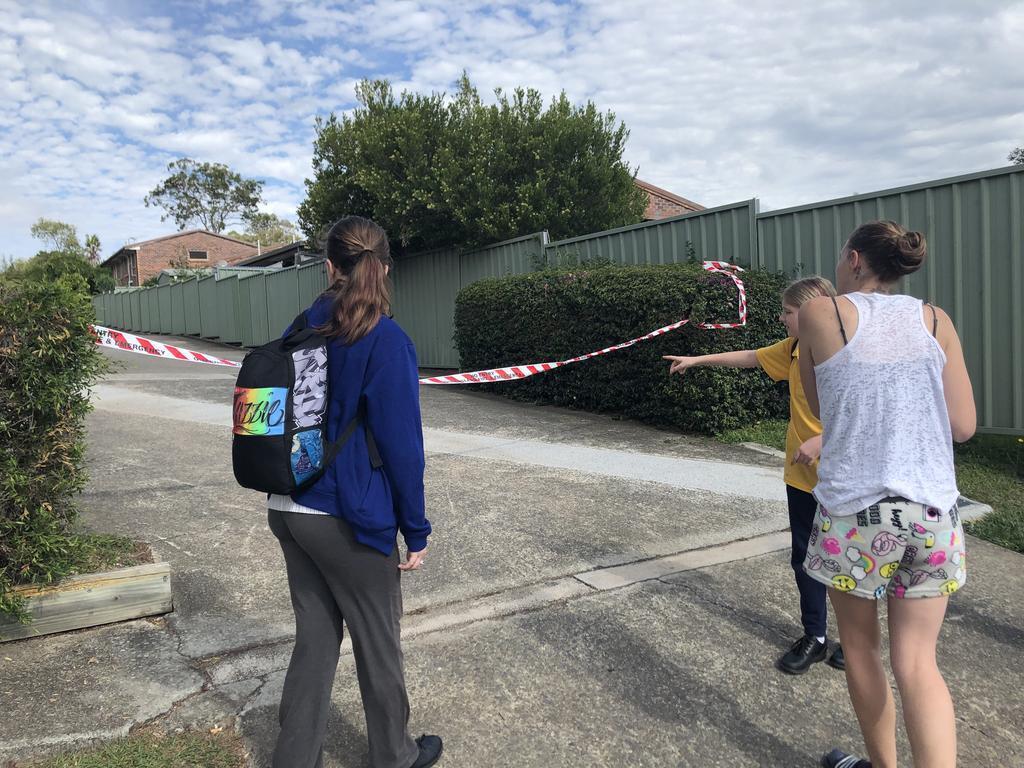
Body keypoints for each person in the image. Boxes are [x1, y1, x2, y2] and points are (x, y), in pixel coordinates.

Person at [266, 216, 443, 768]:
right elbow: (402, 448)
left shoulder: (302, 325)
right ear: (385, 268)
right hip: (346, 516)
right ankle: (394, 755)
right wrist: (415, 528)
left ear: (328, 267)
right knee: (378, 642)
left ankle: (294, 760)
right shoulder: (386, 341)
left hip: (288, 505)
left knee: (316, 640)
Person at [798, 221, 976, 768]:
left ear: (854, 260)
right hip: (933, 516)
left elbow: (820, 403)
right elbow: (964, 425)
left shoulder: (821, 312)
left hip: (857, 516)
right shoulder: (935, 319)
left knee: (861, 651)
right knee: (920, 663)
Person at [664, 276, 845, 674]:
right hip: (801, 478)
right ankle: (815, 637)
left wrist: (823, 440)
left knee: (848, 560)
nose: (782, 319)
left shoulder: (845, 353)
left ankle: (854, 639)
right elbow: (750, 356)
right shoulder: (794, 349)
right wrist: (697, 360)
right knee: (806, 559)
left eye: (789, 312)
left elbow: (867, 414)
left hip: (844, 479)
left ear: (815, 313)